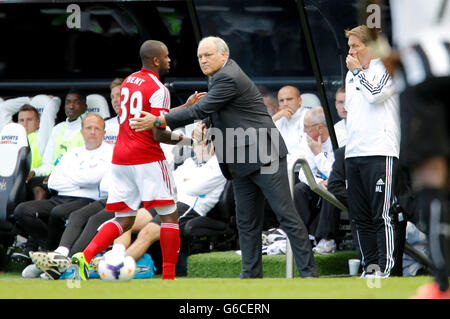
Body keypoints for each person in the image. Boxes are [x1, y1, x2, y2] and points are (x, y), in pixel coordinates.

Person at [130, 36, 318, 278]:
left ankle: (309, 275)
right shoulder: (219, 76)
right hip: (239, 161)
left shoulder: (228, 76)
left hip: (265, 155)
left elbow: (200, 108)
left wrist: (157, 120)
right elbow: (220, 111)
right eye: (199, 56)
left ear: (223, 55)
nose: (203, 60)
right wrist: (206, 124)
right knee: (246, 223)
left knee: (287, 216)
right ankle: (250, 276)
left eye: (208, 55)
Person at [70, 40, 202, 281]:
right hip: (147, 157)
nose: (170, 59)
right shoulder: (159, 89)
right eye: (167, 56)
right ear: (156, 60)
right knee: (170, 216)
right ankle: (169, 278)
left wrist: (184, 106)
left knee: (124, 218)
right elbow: (158, 132)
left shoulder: (130, 81)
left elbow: (150, 116)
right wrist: (190, 141)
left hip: (121, 157)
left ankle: (86, 256)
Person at [383, 0, 449, 298]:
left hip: (422, 66)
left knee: (431, 178)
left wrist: (383, 51)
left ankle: (444, 285)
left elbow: (369, 8)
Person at [13, 113, 112, 268]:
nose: (92, 132)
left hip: (87, 200)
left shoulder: (109, 152)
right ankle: (50, 249)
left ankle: (54, 255)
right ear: (82, 131)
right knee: (22, 210)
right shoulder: (72, 153)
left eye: (97, 128)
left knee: (58, 213)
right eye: (88, 128)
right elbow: (53, 181)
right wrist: (79, 180)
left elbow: (94, 178)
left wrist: (69, 176)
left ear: (104, 133)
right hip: (60, 197)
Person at [344, 25, 400, 278]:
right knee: (360, 217)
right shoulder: (350, 75)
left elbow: (375, 95)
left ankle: (385, 271)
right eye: (350, 46)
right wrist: (355, 73)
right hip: (353, 152)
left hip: (380, 150)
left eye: (356, 45)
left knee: (382, 214)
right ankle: (370, 268)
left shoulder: (388, 68)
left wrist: (357, 72)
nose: (351, 50)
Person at [26, 90, 87, 200]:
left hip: (73, 179)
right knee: (30, 181)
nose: (71, 106)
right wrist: (34, 171)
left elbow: (83, 168)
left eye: (76, 102)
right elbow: (48, 164)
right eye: (68, 102)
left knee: (43, 187)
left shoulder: (87, 130)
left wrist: (56, 176)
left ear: (84, 107)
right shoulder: (58, 129)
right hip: (52, 177)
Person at [293, 106, 338, 254]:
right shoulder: (307, 140)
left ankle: (326, 239)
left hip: (339, 186)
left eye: (307, 127)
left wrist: (318, 154)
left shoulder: (339, 138)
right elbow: (303, 173)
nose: (305, 131)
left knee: (330, 188)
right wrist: (317, 182)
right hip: (318, 184)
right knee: (299, 189)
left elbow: (335, 173)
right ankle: (300, 237)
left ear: (320, 128)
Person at [271, 85, 309, 156]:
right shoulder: (278, 120)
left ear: (299, 100)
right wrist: (274, 118)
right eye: (281, 101)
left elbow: (305, 152)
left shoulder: (309, 117)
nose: (285, 104)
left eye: (289, 99)